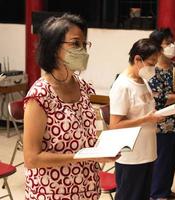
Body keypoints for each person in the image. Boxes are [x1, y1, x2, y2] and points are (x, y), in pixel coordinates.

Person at [23, 14, 116, 200]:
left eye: (84, 44)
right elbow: (31, 159)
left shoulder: (83, 87)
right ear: (54, 47)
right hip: (53, 191)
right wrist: (82, 157)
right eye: (75, 44)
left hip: (87, 187)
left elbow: (92, 132)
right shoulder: (40, 95)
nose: (82, 50)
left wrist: (105, 149)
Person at [109, 38, 164, 200]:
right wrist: (147, 119)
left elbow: (145, 111)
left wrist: (155, 116)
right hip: (131, 156)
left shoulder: (143, 81)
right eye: (152, 63)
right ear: (137, 59)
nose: (154, 67)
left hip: (147, 151)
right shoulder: (122, 86)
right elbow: (115, 125)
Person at [148, 28, 175, 200]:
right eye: (167, 43)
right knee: (161, 159)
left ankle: (165, 189)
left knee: (171, 158)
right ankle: (157, 193)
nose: (172, 46)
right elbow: (155, 99)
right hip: (160, 123)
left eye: (172, 42)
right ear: (158, 48)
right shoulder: (152, 70)